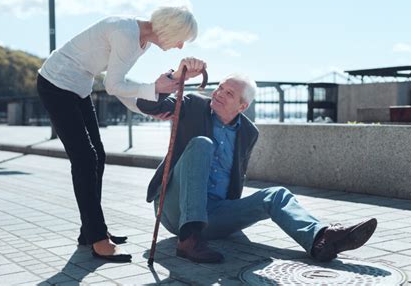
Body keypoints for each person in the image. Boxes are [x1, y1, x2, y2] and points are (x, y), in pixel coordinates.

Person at [136, 73, 378, 263]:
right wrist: (174, 78)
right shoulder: (192, 105)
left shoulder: (249, 132)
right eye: (220, 87)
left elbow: (235, 177)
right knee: (202, 144)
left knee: (277, 195)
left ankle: (321, 239)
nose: (219, 93)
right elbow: (147, 104)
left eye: (229, 93)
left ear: (242, 106)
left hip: (214, 215)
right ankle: (188, 239)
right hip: (173, 209)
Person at [36, 6, 205, 262]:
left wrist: (146, 105)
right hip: (56, 84)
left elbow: (121, 87)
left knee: (97, 156)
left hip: (78, 87)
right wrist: (152, 88)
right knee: (85, 159)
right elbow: (113, 86)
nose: (180, 46)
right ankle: (98, 239)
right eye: (181, 38)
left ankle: (90, 230)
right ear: (170, 30)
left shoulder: (141, 40)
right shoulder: (126, 34)